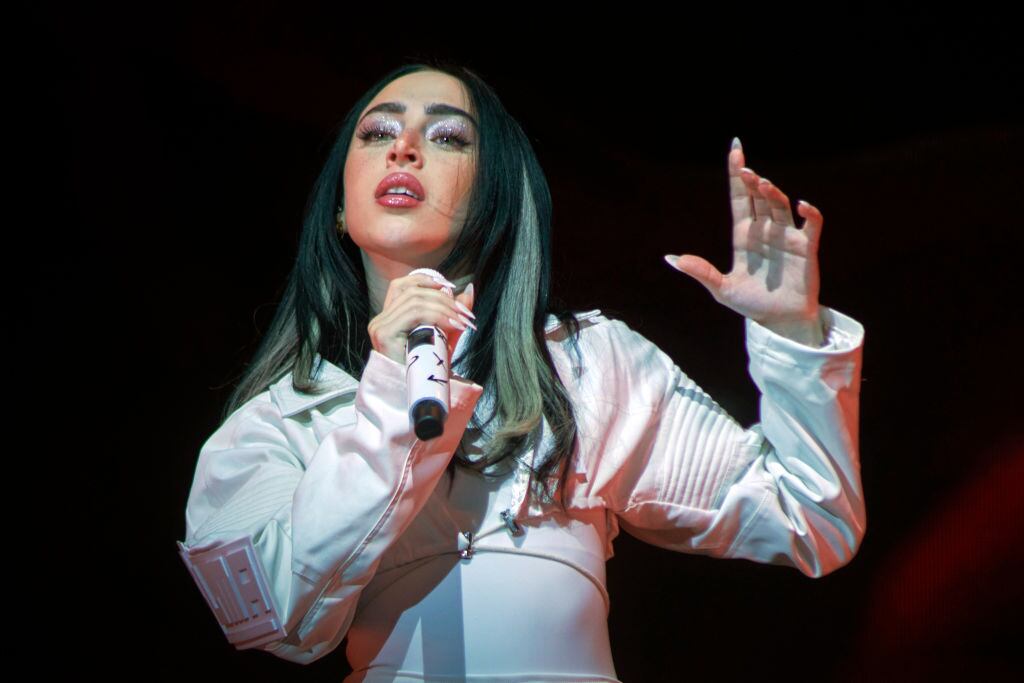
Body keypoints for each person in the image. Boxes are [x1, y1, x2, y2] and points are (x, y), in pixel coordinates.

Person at [177, 60, 866, 682]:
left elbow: (812, 516)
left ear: (495, 196)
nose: (404, 147)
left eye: (448, 137)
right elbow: (277, 623)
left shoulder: (584, 366)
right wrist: (389, 392)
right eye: (376, 133)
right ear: (338, 201)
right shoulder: (282, 419)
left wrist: (792, 333)